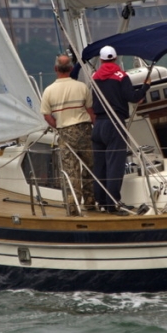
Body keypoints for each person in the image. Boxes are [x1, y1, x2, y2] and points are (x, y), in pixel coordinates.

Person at [90, 46, 150, 214]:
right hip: (114, 124)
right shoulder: (121, 76)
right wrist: (145, 87)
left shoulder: (94, 77)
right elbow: (133, 97)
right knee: (115, 165)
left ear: (101, 60)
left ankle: (101, 202)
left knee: (99, 166)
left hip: (98, 125)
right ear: (115, 59)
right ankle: (113, 204)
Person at [40, 54, 95, 215]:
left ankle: (73, 207)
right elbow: (91, 112)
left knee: (71, 172)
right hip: (84, 130)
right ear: (71, 69)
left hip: (65, 131)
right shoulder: (82, 87)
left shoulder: (49, 91)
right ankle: (90, 202)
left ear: (55, 69)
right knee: (90, 167)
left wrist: (59, 127)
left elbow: (47, 115)